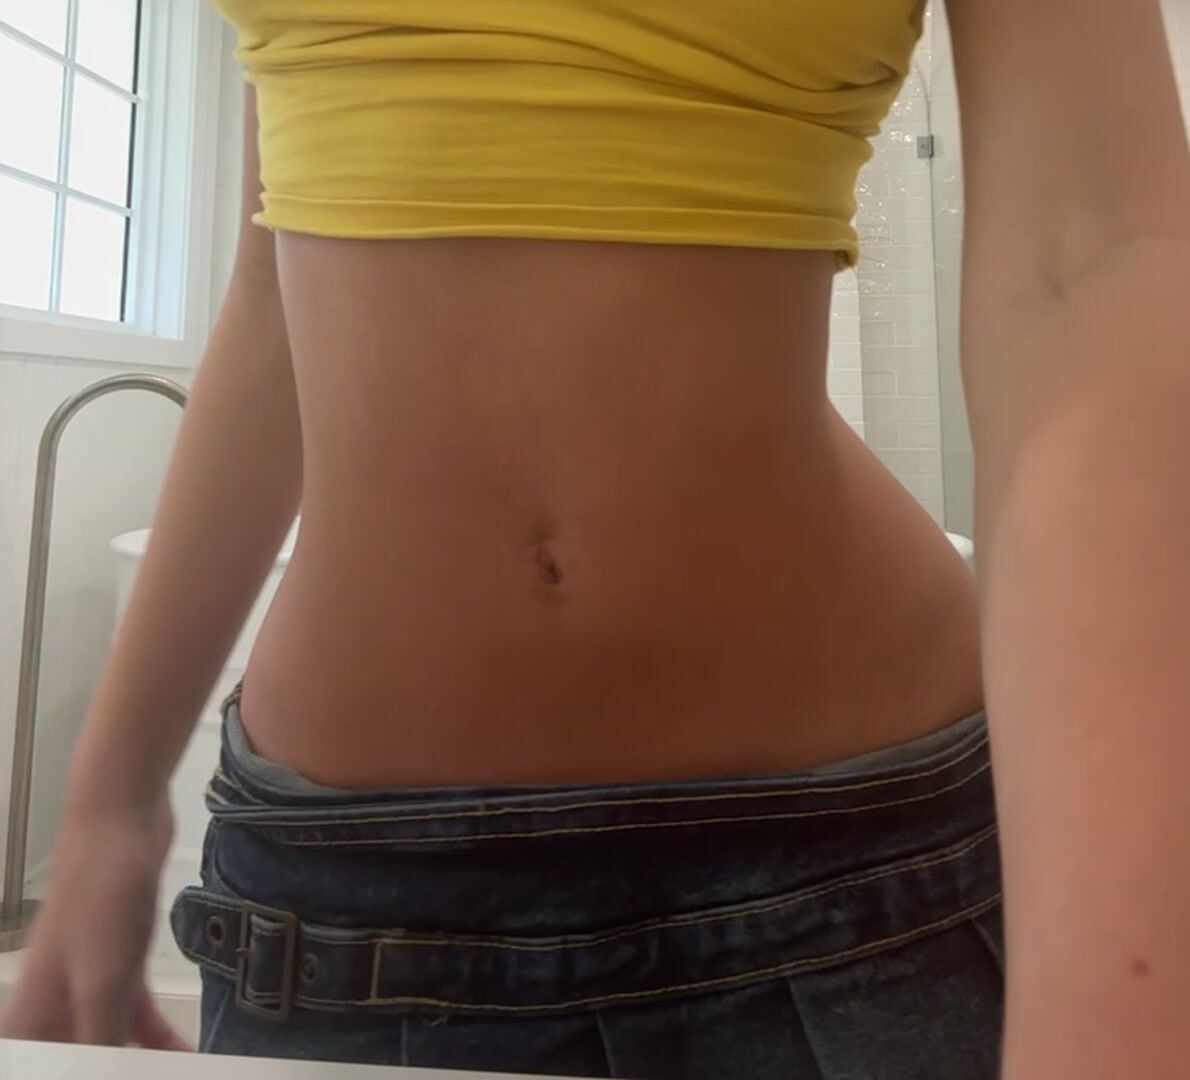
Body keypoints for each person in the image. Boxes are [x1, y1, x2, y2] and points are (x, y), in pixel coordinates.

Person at [3, 0, 1187, 1076]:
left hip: (861, 864)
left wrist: (1117, 1006)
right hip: (348, 905)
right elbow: (273, 289)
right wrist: (112, 799)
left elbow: (1092, 264)